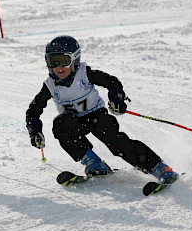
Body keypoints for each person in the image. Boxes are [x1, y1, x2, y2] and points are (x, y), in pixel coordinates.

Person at [26, 35, 178, 185]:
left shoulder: (85, 74)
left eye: (64, 61)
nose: (59, 67)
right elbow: (33, 111)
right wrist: (35, 131)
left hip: (97, 117)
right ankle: (94, 163)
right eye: (53, 62)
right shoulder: (50, 86)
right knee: (60, 125)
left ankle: (159, 168)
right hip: (74, 122)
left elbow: (113, 82)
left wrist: (116, 99)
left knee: (116, 142)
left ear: (75, 59)